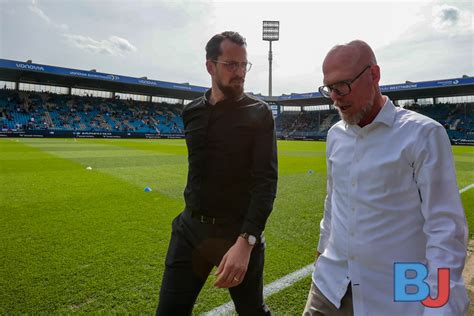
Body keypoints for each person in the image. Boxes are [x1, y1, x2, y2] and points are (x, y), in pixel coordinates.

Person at [303, 40, 469, 315]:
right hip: (329, 287)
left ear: (374, 75)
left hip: (392, 296)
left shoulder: (423, 135)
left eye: (343, 84)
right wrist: (322, 251)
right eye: (329, 88)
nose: (335, 96)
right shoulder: (335, 135)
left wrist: (439, 306)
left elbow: (445, 230)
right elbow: (334, 201)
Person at [156, 31, 278, 315]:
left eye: (244, 65)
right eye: (231, 64)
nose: (240, 73)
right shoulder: (191, 112)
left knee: (252, 312)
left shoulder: (259, 113)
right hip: (190, 230)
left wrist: (246, 241)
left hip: (237, 233)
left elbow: (266, 182)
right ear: (210, 66)